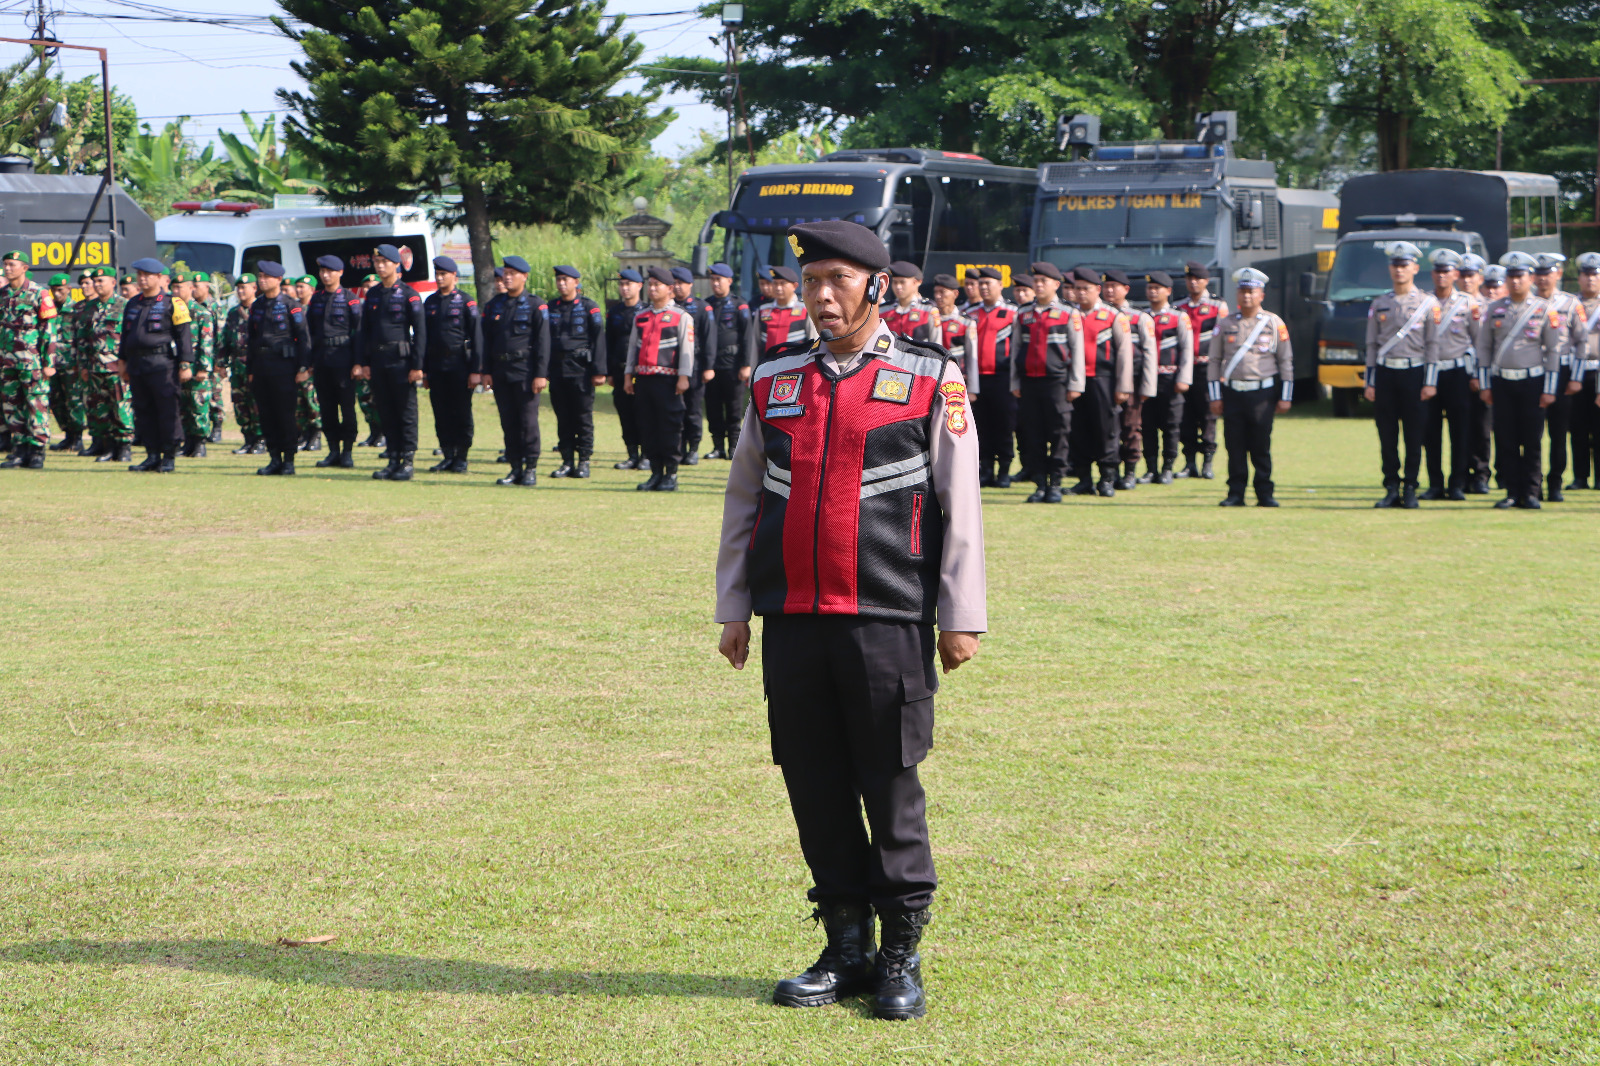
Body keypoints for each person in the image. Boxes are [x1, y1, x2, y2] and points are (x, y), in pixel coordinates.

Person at [715, 219, 985, 1022]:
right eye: (811, 282)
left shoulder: (930, 376)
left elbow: (959, 504)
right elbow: (743, 498)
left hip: (886, 616)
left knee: (889, 784)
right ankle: (845, 947)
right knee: (814, 784)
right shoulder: (775, 378)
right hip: (793, 618)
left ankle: (900, 955)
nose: (822, 296)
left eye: (838, 280)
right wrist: (734, 605)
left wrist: (960, 614)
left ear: (876, 285)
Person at [1475, 251, 1563, 509]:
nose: (1515, 281)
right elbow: (1484, 348)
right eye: (1511, 276)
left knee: (1532, 440)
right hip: (1502, 382)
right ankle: (1512, 492)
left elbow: (1554, 350)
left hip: (1532, 382)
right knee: (1506, 439)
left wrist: (1549, 389)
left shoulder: (1544, 309)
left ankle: (1532, 492)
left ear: (1530, 278)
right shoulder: (1494, 309)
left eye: (1520, 276)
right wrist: (1485, 385)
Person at [1208, 267, 1292, 507]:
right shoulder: (1225, 323)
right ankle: (1236, 493)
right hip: (1233, 392)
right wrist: (1215, 396)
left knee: (1260, 445)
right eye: (1243, 291)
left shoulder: (1273, 323)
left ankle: (1265, 493)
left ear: (1261, 295)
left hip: (1262, 394)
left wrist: (1285, 396)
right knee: (1234, 445)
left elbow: (1285, 360)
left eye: (1251, 292)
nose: (1246, 296)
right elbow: (1214, 361)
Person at [1363, 241, 1438, 509]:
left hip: (1414, 373)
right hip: (1386, 374)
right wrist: (1370, 382)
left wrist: (1430, 381)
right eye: (1395, 265)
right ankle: (1391, 487)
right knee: (1387, 435)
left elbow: (1433, 345)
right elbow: (1371, 345)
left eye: (1404, 265)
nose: (1399, 270)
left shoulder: (1427, 303)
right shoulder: (1380, 303)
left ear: (1415, 268)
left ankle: (1411, 487)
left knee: (1414, 436)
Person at [474, 254, 550, 487]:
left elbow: (543, 342)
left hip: (525, 371)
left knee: (528, 422)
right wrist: (486, 371)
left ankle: (530, 468)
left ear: (524, 277)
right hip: (500, 370)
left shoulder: (536, 305)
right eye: (505, 274)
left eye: (512, 274)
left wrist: (540, 374)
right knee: (508, 422)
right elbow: (486, 341)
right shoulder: (494, 305)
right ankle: (515, 467)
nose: (507, 278)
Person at [1010, 262, 1081, 502]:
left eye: (1043, 281)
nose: (1038, 285)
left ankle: (1056, 484)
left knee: (1059, 433)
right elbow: (1016, 348)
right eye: (1036, 281)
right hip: (1029, 382)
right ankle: (1040, 484)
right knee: (1033, 434)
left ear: (1056, 285)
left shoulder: (1069, 312)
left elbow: (1077, 350)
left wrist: (1075, 384)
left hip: (1057, 382)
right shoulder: (1023, 313)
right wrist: (1015, 382)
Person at [115, 258, 193, 473]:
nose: (142, 279)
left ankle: (169, 456)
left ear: (159, 277)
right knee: (143, 410)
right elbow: (126, 335)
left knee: (167, 410)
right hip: (137, 364)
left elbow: (184, 335)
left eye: (147, 275)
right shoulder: (133, 303)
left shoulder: (173, 303)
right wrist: (122, 361)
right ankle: (151, 455)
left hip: (163, 364)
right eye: (140, 275)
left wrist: (185, 363)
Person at [357, 244, 426, 481]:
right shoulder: (373, 294)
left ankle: (407, 461)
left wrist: (417, 365)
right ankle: (393, 459)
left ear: (397, 264)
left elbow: (420, 332)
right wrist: (364, 362)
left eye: (385, 262)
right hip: (378, 361)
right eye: (377, 262)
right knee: (385, 411)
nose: (380, 266)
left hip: (401, 361)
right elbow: (365, 331)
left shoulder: (409, 294)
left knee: (405, 412)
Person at [623, 265, 693, 491]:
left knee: (669, 426)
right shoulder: (641, 317)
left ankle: (670, 474)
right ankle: (655, 472)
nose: (652, 289)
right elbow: (632, 348)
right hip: (644, 380)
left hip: (668, 381)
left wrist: (684, 376)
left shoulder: (681, 317)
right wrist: (628, 374)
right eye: (650, 285)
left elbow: (687, 348)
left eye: (657, 285)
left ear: (670, 289)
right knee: (648, 426)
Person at [1065, 267, 1134, 497]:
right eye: (1077, 288)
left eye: (1085, 288)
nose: (1080, 293)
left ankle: (1107, 478)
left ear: (1098, 290)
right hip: (1074, 382)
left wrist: (1123, 387)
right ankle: (1083, 479)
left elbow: (1124, 354)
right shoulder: (1069, 314)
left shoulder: (1113, 316)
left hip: (1103, 381)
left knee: (1107, 431)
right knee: (1078, 430)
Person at [1420, 249, 1478, 501]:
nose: (1441, 275)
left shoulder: (1468, 303)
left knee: (1460, 431)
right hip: (1429, 374)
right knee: (1430, 432)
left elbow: (1479, 342)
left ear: (1455, 274)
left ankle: (1457, 484)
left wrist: (1477, 375)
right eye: (1438, 271)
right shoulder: (1423, 302)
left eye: (1446, 271)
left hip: (1458, 373)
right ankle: (1435, 484)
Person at [244, 262, 311, 476]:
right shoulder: (257, 305)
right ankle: (274, 458)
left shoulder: (291, 305)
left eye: (267, 277)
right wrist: (250, 369)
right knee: (266, 414)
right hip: (261, 366)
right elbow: (252, 339)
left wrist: (303, 367)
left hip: (284, 366)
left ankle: (289, 459)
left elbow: (303, 338)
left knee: (285, 414)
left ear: (278, 280)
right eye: (260, 276)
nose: (262, 280)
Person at [1531, 252, 1587, 501]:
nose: (1543, 278)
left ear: (1559, 274)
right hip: (1533, 371)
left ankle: (1555, 483)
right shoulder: (1528, 303)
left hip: (1562, 372)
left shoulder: (1570, 303)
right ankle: (1533, 484)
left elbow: (1581, 342)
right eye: (1539, 273)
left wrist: (1576, 378)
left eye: (1548, 273)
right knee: (1531, 433)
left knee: (1559, 432)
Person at [546, 265, 607, 478]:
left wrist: (599, 371)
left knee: (582, 418)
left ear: (576, 282)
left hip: (581, 370)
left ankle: (584, 461)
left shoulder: (589, 307)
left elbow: (599, 340)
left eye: (566, 279)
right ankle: (567, 461)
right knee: (563, 418)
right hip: (558, 370)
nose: (562, 283)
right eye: (559, 280)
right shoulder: (551, 307)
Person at [0, 250, 59, 469]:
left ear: (24, 268)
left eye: (12, 265)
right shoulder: (2, 294)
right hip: (6, 362)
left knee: (36, 404)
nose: (8, 268)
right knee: (11, 405)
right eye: (5, 264)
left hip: (31, 362)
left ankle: (37, 450)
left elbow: (49, 330)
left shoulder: (39, 293)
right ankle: (19, 449)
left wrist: (49, 363)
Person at [1101, 268, 1157, 490]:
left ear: (1125, 289)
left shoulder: (1139, 317)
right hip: (1105, 380)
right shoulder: (1101, 315)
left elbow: (1149, 353)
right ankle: (1111, 471)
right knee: (1108, 427)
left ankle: (1130, 471)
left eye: (1114, 286)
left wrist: (1147, 387)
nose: (1109, 290)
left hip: (1131, 382)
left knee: (1130, 426)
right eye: (1106, 286)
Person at [307, 254, 364, 469]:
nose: (325, 275)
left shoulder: (350, 299)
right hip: (322, 360)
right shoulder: (316, 299)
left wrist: (358, 362)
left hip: (344, 360)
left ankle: (347, 451)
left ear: (340, 273)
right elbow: (309, 332)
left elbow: (359, 333)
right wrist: (309, 361)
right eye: (322, 271)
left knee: (347, 408)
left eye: (329, 271)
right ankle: (333, 450)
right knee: (327, 408)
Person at [1138, 271, 1194, 483]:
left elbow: (1187, 349)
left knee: (1171, 425)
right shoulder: (1142, 316)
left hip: (1170, 379)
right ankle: (1151, 468)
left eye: (1157, 288)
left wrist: (1184, 378)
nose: (1152, 292)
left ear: (1168, 291)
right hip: (1146, 379)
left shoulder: (1178, 317)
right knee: (1147, 425)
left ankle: (1168, 467)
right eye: (1149, 288)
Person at [1175, 261, 1228, 479]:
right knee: (1184, 416)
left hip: (1207, 368)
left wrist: (1222, 371)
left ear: (1206, 281)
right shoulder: (1179, 307)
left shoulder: (1217, 306)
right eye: (1189, 278)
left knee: (1208, 416)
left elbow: (1224, 340)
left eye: (1197, 279)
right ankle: (1189, 463)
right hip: (1184, 369)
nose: (1193, 282)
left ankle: (1207, 462)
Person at [78, 267, 134, 463]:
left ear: (113, 282)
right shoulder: (89, 307)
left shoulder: (125, 305)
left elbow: (131, 337)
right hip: (95, 367)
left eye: (101, 280)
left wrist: (128, 364)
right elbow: (83, 338)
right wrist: (84, 365)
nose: (97, 284)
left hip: (117, 367)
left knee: (121, 407)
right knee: (99, 409)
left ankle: (124, 446)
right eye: (95, 281)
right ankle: (108, 447)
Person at [968, 266, 1018, 486]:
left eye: (988, 283)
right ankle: (986, 469)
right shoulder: (970, 313)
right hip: (977, 378)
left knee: (1004, 425)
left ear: (1001, 285)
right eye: (981, 284)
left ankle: (1004, 470)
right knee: (980, 426)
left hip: (1002, 377)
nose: (984, 288)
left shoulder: (1013, 313)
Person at [703, 262, 752, 460]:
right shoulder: (707, 305)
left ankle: (733, 447)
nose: (715, 283)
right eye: (712, 279)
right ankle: (717, 447)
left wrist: (746, 364)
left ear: (729, 281)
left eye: (719, 279)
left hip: (733, 365)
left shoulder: (739, 305)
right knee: (713, 408)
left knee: (733, 409)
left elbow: (747, 336)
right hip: (711, 366)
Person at [671, 266, 716, 466]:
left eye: (681, 283)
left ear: (690, 284)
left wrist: (708, 366)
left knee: (693, 410)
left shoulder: (702, 307)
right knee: (675, 410)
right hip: (672, 366)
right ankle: (678, 447)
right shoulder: (669, 307)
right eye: (674, 283)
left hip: (695, 366)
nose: (677, 287)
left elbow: (709, 339)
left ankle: (693, 449)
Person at [1458, 254, 1494, 492]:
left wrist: (1480, 376)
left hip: (1482, 374)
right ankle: (1460, 475)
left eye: (1471, 275)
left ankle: (1481, 474)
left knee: (1482, 427)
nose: (1466, 280)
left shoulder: (1490, 307)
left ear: (1480, 278)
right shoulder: (1445, 304)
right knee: (1459, 427)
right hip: (1455, 372)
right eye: (1462, 275)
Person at [170, 271, 215, 458]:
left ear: (190, 288)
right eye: (174, 287)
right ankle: (187, 442)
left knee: (198, 405)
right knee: (182, 406)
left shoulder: (200, 312)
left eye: (180, 287)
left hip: (196, 367)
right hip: (176, 367)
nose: (176, 291)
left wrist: (204, 368)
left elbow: (207, 342)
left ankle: (199, 443)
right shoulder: (171, 310)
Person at [607, 268, 647, 470]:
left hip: (642, 372)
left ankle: (647, 455)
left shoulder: (646, 311)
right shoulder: (614, 312)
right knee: (625, 414)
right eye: (621, 284)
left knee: (644, 414)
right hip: (619, 370)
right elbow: (609, 342)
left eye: (628, 284)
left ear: (639, 286)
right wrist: (608, 371)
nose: (624, 288)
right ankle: (632, 454)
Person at [222, 273, 264, 455]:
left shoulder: (261, 309)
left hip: (256, 364)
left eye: (244, 288)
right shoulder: (233, 313)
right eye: (238, 288)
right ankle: (248, 439)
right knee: (240, 403)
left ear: (254, 288)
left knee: (257, 402)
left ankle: (261, 439)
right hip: (237, 365)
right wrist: (221, 363)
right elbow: (225, 339)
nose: (240, 291)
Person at [44, 272, 85, 454]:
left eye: (60, 289)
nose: (57, 293)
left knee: (73, 400)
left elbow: (80, 338)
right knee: (56, 400)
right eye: (53, 290)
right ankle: (67, 435)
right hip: (52, 364)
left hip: (70, 363)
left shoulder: (76, 309)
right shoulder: (48, 309)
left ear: (68, 288)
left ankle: (77, 437)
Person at [1569, 252, 1600, 489]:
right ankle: (1580, 477)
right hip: (1576, 372)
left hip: (1598, 372)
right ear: (1579, 277)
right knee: (1577, 427)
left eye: (1595, 275)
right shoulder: (1570, 304)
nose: (1590, 279)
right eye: (1586, 274)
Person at [194, 272, 226, 444]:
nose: (194, 289)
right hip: (197, 357)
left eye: (197, 286)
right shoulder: (190, 306)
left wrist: (219, 361)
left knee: (214, 393)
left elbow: (221, 335)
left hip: (212, 357)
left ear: (207, 287)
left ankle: (217, 426)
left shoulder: (215, 307)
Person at [931, 273, 978, 387]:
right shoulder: (930, 318)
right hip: (932, 378)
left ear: (955, 294)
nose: (938, 296)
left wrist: (973, 388)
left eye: (942, 292)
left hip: (956, 378)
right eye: (936, 292)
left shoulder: (965, 322)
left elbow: (972, 357)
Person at [881, 261, 939, 343]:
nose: (898, 287)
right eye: (895, 282)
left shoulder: (928, 309)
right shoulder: (883, 310)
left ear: (915, 282)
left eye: (902, 282)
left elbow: (937, 344)